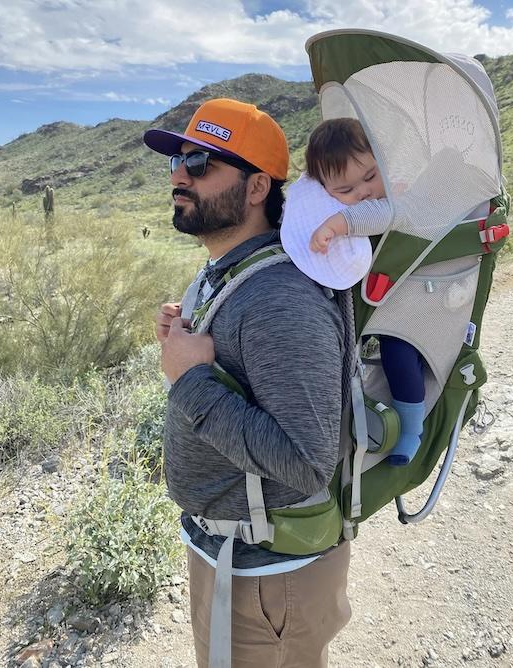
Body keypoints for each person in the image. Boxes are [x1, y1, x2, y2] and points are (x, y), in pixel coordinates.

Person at [143, 98, 350, 668]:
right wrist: (188, 336)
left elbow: (309, 462)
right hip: (232, 552)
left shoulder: (281, 300)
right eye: (177, 162)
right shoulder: (228, 271)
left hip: (266, 577)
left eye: (201, 162)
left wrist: (190, 380)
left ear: (258, 187)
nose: (180, 175)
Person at [298, 117, 425, 465]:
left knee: (398, 353)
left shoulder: (395, 195)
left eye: (370, 176)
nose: (363, 192)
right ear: (325, 193)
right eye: (345, 191)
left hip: (413, 304)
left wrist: (338, 224)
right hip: (374, 306)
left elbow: (379, 214)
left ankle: (413, 429)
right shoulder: (327, 207)